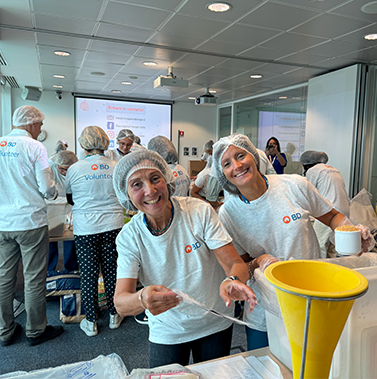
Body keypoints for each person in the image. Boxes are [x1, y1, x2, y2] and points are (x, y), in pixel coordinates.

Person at [212, 133, 374, 351]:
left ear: (254, 156)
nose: (237, 166)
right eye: (227, 163)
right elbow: (242, 266)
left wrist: (352, 230)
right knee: (268, 369)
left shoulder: (295, 185)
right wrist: (259, 261)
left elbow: (333, 217)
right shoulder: (228, 214)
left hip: (312, 296)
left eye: (241, 155)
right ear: (223, 174)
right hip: (266, 309)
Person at [112, 149, 257, 367]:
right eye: (136, 185)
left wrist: (233, 281)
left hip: (214, 321)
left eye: (155, 179)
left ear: (166, 179)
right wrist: (142, 298)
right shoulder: (130, 237)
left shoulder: (198, 212)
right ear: (126, 194)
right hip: (168, 330)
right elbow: (121, 302)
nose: (150, 191)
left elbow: (235, 264)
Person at [0, 105, 64, 347]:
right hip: (30, 222)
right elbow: (47, 188)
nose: (41, 129)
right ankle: (36, 330)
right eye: (40, 124)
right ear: (31, 123)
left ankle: (4, 330)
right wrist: (54, 191)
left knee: (4, 276)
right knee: (34, 277)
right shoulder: (35, 147)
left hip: (2, 223)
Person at [65, 126, 124, 337]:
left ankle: (90, 321)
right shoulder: (117, 166)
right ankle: (115, 315)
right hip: (114, 224)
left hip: (86, 228)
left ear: (82, 145)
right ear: (106, 142)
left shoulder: (75, 168)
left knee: (89, 274)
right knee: (112, 271)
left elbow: (69, 197)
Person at [300, 150, 351, 258]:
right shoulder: (333, 169)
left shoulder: (312, 171)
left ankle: (321, 270)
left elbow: (309, 192)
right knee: (334, 247)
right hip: (344, 211)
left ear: (306, 165)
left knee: (320, 244)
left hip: (329, 211)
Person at [47, 150, 79, 271]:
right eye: (62, 169)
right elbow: (46, 193)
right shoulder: (50, 171)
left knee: (70, 240)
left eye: (68, 169)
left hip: (72, 208)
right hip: (53, 208)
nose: (65, 172)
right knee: (51, 240)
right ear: (57, 166)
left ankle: (71, 271)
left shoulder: (77, 171)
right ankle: (50, 272)